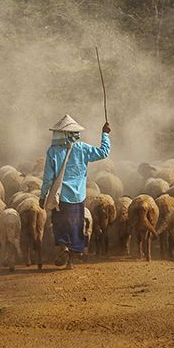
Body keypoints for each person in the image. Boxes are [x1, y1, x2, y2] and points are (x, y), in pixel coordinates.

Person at [39, 114, 111, 269]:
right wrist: (105, 134)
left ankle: (63, 248)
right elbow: (104, 152)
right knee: (75, 227)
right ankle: (70, 262)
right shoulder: (82, 148)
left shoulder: (52, 151)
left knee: (59, 225)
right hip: (78, 197)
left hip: (60, 197)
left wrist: (43, 195)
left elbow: (48, 178)